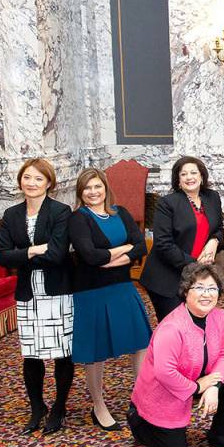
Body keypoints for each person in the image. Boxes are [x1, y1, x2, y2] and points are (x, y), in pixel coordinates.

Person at [128, 263, 224, 447]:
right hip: (163, 390)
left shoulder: (219, 317)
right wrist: (200, 386)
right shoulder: (172, 328)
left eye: (212, 289)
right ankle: (138, 420)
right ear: (185, 292)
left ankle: (221, 433)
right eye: (199, 288)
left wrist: (214, 386)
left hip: (194, 376)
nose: (206, 294)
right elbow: (165, 373)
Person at [0, 158, 75, 436]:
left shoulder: (60, 211)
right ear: (20, 181)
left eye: (38, 179)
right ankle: (37, 406)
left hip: (56, 289)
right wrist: (31, 251)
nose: (31, 183)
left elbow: (57, 254)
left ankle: (59, 406)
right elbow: (1, 256)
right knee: (31, 354)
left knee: (61, 353)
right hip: (28, 291)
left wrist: (22, 253)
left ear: (49, 183)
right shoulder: (11, 214)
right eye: (27, 178)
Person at [68, 168, 152, 431]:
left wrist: (115, 255)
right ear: (81, 193)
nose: (93, 192)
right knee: (97, 351)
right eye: (87, 188)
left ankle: (140, 398)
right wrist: (123, 249)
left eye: (97, 186)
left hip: (122, 286)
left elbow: (140, 246)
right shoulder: (78, 219)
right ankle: (98, 405)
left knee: (141, 342)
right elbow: (90, 257)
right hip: (91, 291)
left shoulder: (121, 213)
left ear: (105, 187)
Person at [140, 156, 224, 321]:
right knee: (175, 327)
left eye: (194, 172)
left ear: (202, 176)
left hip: (198, 277)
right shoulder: (167, 203)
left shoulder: (212, 197)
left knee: (198, 323)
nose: (189, 177)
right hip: (167, 278)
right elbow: (163, 244)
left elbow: (219, 229)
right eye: (183, 174)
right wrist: (195, 266)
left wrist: (214, 241)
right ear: (178, 180)